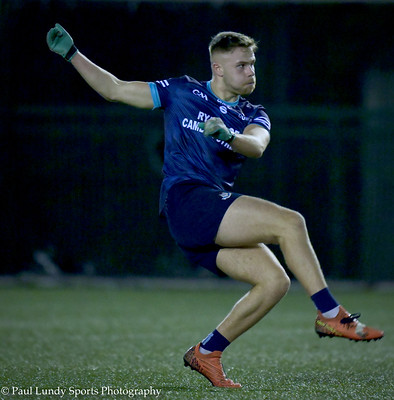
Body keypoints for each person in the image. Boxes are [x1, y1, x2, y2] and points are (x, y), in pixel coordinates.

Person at [47, 24, 384, 388]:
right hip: (187, 201)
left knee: (274, 282)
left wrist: (229, 135)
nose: (251, 71)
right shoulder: (181, 91)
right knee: (290, 223)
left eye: (253, 64)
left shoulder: (254, 113)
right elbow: (114, 89)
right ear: (218, 68)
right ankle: (332, 315)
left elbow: (256, 146)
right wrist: (72, 55)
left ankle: (206, 352)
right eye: (241, 65)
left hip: (208, 215)